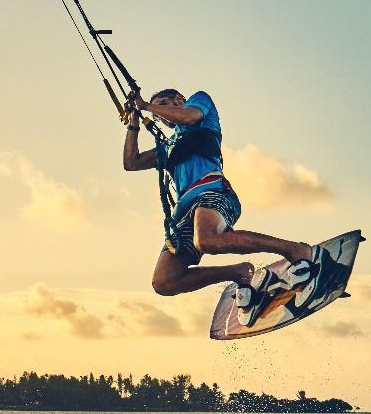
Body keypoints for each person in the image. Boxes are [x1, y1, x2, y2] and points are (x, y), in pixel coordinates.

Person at [124, 88, 314, 312]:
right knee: (164, 281)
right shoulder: (168, 146)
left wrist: (146, 106)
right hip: (183, 213)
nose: (162, 115)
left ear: (179, 100)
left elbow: (190, 116)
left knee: (207, 240)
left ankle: (295, 250)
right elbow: (131, 163)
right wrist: (134, 121)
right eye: (158, 115)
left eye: (165, 104)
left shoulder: (199, 104)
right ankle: (240, 273)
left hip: (211, 190)